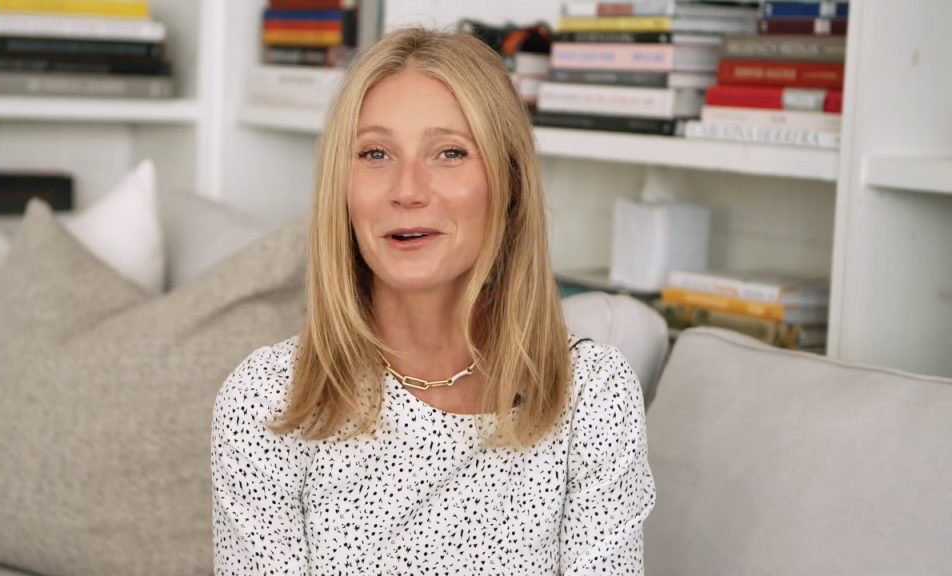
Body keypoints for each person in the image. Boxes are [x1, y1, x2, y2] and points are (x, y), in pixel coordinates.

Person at [211, 27, 655, 575]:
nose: (407, 190)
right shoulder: (268, 401)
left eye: (449, 153)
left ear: (511, 185)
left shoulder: (593, 397)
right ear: (342, 188)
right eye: (375, 153)